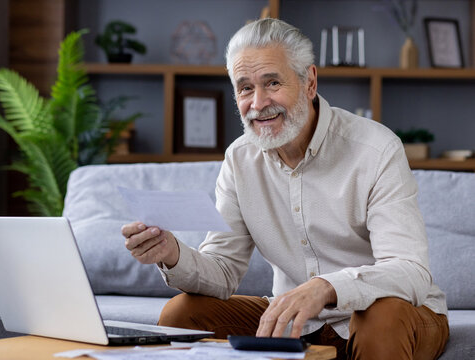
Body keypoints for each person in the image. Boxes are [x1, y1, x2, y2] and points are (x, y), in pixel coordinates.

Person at [121, 18, 449, 360]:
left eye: (272, 82)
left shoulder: (376, 149)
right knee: (181, 314)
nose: (259, 103)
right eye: (245, 88)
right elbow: (223, 270)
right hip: (298, 322)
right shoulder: (239, 159)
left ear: (309, 82)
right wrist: (171, 253)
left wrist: (327, 288)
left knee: (381, 316)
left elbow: (409, 271)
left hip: (398, 317)